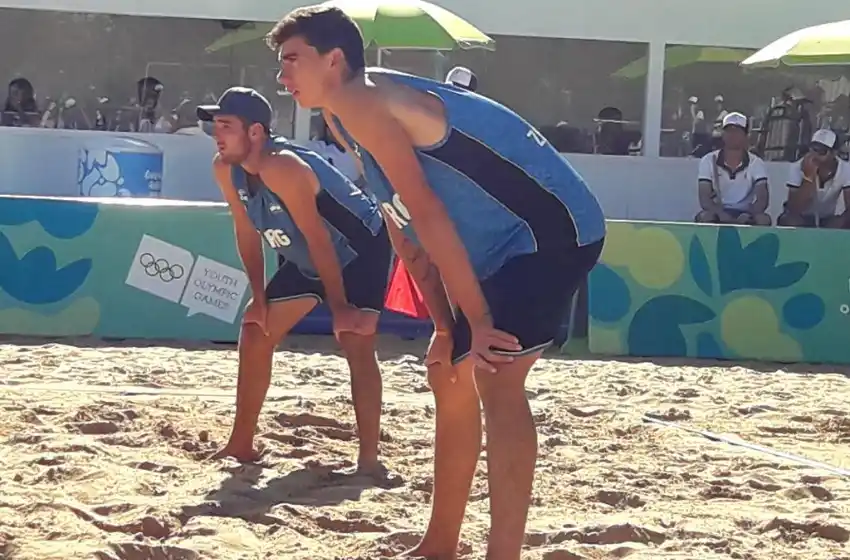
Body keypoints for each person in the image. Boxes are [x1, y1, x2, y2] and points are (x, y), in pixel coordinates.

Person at [267, 7, 606, 559]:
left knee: (496, 377)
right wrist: (447, 326)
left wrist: (475, 320)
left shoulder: (361, 99)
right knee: (448, 375)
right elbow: (402, 219)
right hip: (497, 242)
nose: (282, 76)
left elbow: (426, 213)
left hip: (553, 232)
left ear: (334, 61)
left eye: (291, 60)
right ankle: (440, 545)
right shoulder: (340, 113)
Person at [197, 86, 395, 480]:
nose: (215, 135)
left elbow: (322, 237)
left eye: (225, 126)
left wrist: (338, 306)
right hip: (307, 253)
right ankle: (242, 444)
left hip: (359, 252)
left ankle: (370, 460)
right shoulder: (226, 168)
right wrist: (258, 298)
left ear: (255, 132)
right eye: (214, 126)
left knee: (355, 341)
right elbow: (247, 232)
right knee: (256, 329)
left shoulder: (282, 166)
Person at [695, 112, 771, 226]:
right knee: (705, 217)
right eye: (729, 131)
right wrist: (720, 213)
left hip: (746, 213)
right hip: (718, 212)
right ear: (723, 134)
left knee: (763, 219)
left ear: (746, 135)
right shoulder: (708, 160)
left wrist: (749, 214)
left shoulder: (756, 162)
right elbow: (704, 198)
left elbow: (763, 198)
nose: (732, 135)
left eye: (737, 131)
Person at [778, 128, 850, 228]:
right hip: (802, 217)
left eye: (821, 151)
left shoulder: (845, 169)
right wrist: (808, 177)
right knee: (789, 220)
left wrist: (841, 220)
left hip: (827, 217)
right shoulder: (797, 167)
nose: (815, 155)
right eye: (813, 149)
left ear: (834, 153)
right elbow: (794, 208)